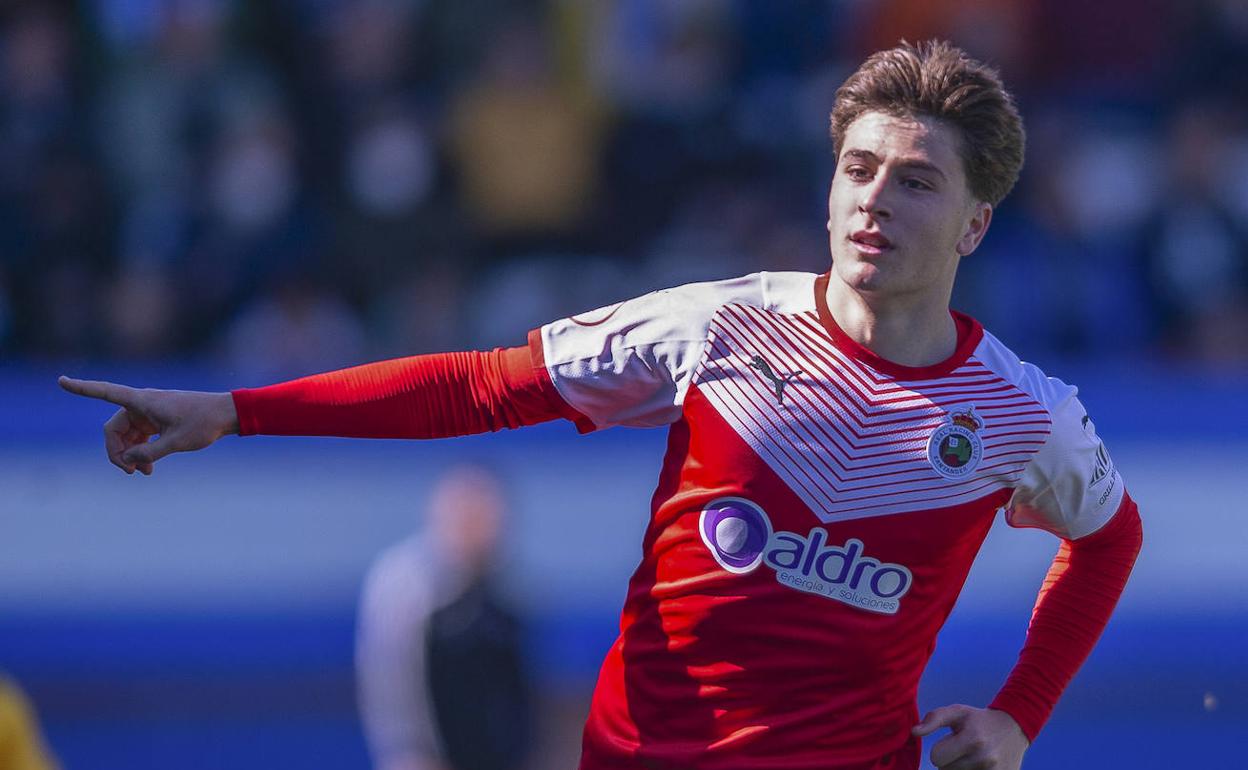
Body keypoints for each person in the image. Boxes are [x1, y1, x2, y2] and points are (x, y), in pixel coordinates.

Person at [60, 40, 1142, 770]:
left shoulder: (1020, 414)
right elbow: (480, 385)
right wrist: (239, 410)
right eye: (857, 168)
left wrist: (1017, 714)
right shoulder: (716, 326)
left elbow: (1109, 537)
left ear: (974, 225)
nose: (872, 199)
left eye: (915, 180)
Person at [357, 465, 533, 770]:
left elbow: (521, 685)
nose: (486, 528)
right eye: (471, 516)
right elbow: (391, 677)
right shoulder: (406, 585)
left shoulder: (507, 590)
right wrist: (408, 750)